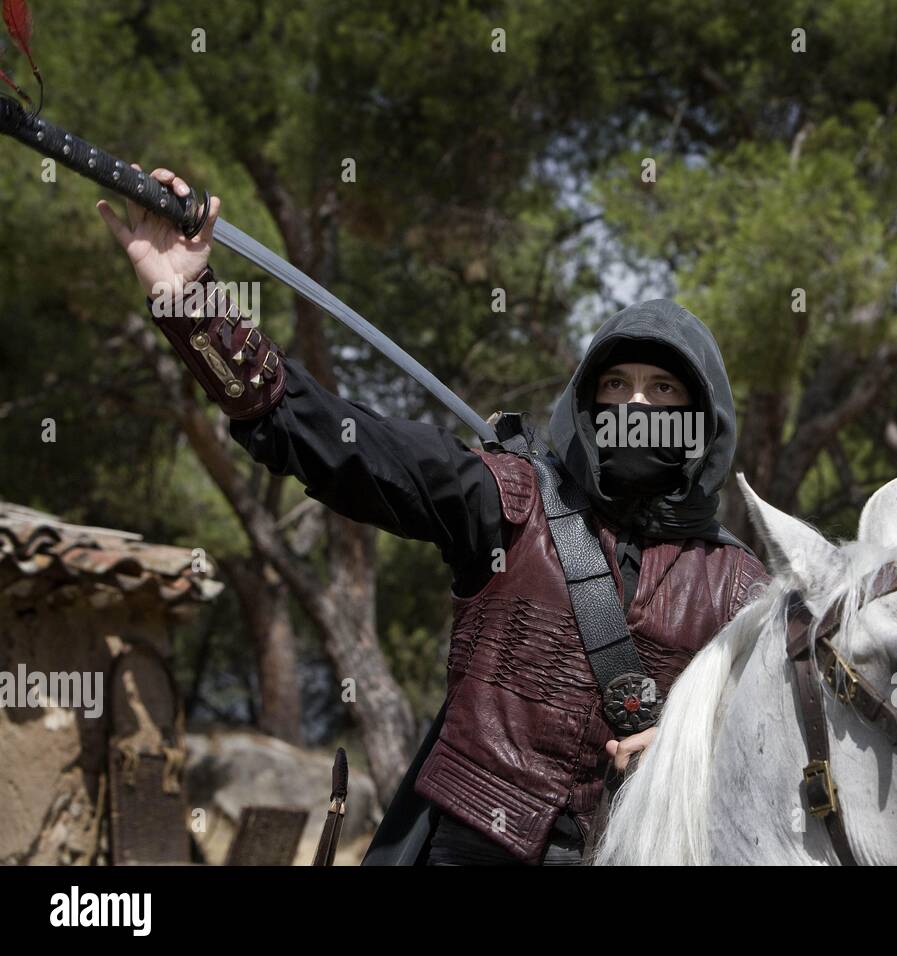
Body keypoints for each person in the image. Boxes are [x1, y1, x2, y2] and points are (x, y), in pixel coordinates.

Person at [99, 169, 768, 865]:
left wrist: (699, 746)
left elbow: (782, 748)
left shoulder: (739, 588)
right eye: (615, 385)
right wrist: (190, 305)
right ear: (588, 405)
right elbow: (337, 441)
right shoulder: (506, 501)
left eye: (662, 390)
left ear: (699, 421)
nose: (635, 407)